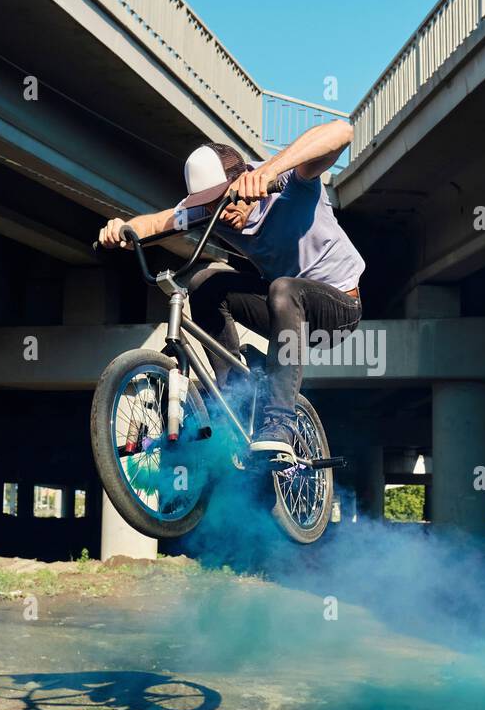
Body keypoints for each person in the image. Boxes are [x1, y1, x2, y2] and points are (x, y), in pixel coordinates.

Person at [98, 121, 363, 458]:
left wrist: (269, 170)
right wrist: (122, 228)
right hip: (285, 313)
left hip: (338, 310)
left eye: (223, 200)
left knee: (283, 289)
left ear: (242, 179)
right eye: (208, 205)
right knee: (205, 283)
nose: (219, 213)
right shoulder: (211, 210)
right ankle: (234, 399)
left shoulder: (291, 185)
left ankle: (280, 421)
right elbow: (154, 224)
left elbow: (343, 132)